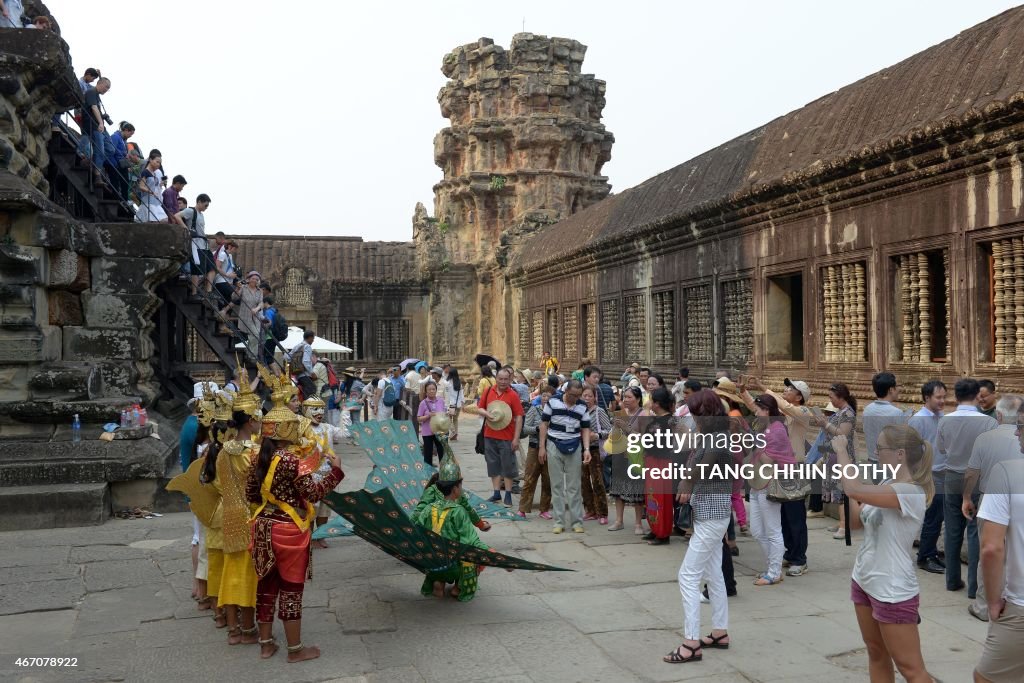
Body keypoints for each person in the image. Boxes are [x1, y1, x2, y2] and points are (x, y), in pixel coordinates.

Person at [246, 376, 343, 663]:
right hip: (288, 531)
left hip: (262, 526)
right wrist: (335, 473)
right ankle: (295, 649)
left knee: (265, 586)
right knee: (290, 588)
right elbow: (312, 493)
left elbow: (251, 493)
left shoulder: (257, 457)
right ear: (287, 429)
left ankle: (265, 644)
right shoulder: (291, 461)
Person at [832, 426, 935, 683]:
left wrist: (842, 453)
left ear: (900, 454)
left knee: (911, 668)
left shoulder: (911, 492)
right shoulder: (887, 483)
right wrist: (844, 484)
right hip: (865, 579)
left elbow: (855, 490)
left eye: (880, 448)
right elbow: (856, 521)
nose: (876, 452)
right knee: (876, 653)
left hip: (893, 589)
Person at [665, 389, 736, 665]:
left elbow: (706, 464)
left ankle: (690, 643)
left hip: (712, 513)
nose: (693, 418)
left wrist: (687, 482)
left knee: (687, 576)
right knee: (714, 574)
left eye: (695, 413)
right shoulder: (711, 432)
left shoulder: (719, 434)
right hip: (710, 511)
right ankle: (719, 632)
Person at [963, 395, 1024, 621]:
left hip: (991, 499)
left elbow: (971, 472)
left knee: (988, 549)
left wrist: (967, 497)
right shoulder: (1017, 437)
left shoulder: (985, 438)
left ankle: (984, 603)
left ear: (998, 415)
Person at [939, 378, 998, 595]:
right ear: (976, 395)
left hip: (953, 476)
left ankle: (952, 580)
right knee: (975, 532)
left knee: (953, 530)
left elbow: (942, 448)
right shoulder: (988, 422)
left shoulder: (945, 420)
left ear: (956, 396)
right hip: (979, 478)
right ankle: (974, 586)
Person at [213, 383, 261, 646]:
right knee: (248, 574)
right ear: (251, 421)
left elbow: (220, 484)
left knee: (230, 571)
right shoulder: (252, 452)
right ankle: (248, 629)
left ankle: (232, 628)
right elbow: (260, 485)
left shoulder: (224, 449)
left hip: (228, 512)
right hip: (249, 515)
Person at [411, 451, 492, 601]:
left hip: (433, 563)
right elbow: (471, 541)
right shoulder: (458, 511)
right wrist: (492, 554)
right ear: (455, 489)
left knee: (437, 556)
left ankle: (438, 583)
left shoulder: (429, 508)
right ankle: (458, 588)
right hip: (452, 564)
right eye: (461, 485)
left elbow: (416, 526)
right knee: (472, 557)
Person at [975, 446, 1024, 682]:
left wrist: (992, 601)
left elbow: (991, 547)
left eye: (1021, 426)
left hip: (1021, 605)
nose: (1016, 434)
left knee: (985, 678)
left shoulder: (1006, 472)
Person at [748, 394, 795, 584]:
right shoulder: (763, 428)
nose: (756, 413)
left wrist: (754, 444)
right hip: (756, 483)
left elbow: (768, 458)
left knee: (773, 530)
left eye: (758, 410)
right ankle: (772, 567)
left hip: (771, 484)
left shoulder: (776, 429)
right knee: (757, 531)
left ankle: (774, 572)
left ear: (767, 410)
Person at [539, 379, 591, 534]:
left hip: (574, 444)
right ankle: (559, 521)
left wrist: (586, 449)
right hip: (554, 443)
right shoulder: (553, 402)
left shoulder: (582, 406)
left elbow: (586, 428)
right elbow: (544, 424)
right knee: (557, 485)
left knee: (574, 486)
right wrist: (542, 447)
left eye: (578, 395)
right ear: (565, 391)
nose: (574, 398)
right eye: (572, 395)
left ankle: (576, 521)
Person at [908, 380, 948, 575]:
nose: (942, 401)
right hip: (929, 475)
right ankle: (925, 556)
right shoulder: (918, 420)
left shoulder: (942, 417)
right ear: (927, 398)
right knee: (932, 517)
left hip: (943, 472)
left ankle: (930, 553)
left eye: (944, 397)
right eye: (938, 397)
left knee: (937, 516)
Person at [811, 383, 857, 539]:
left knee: (843, 492)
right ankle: (843, 522)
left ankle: (844, 526)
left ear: (841, 396)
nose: (830, 400)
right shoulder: (839, 413)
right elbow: (831, 433)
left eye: (831, 397)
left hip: (844, 458)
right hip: (834, 456)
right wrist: (824, 424)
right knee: (838, 492)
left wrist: (826, 424)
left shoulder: (848, 414)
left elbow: (842, 434)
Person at [303, 394, 346, 548]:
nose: (319, 413)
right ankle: (309, 537)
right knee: (311, 508)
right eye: (314, 409)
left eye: (321, 409)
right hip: (311, 474)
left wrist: (345, 412)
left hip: (328, 473)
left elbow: (345, 433)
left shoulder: (327, 427)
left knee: (325, 508)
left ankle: (320, 536)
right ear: (305, 410)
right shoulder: (301, 429)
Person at [478, 367, 524, 508]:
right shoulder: (488, 391)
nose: (503, 382)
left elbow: (519, 416)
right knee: (493, 464)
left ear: (510, 379)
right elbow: (479, 408)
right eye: (500, 379)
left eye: (506, 379)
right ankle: (497, 492)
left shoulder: (513, 395)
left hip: (507, 436)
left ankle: (508, 494)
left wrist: (516, 438)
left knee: (508, 465)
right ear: (496, 379)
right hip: (489, 434)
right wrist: (486, 414)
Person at [642, 387, 681, 545]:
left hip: (663, 462)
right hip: (651, 460)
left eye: (651, 400)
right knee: (651, 495)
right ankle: (655, 527)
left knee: (663, 497)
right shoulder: (654, 420)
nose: (649, 403)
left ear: (657, 404)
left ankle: (663, 533)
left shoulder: (672, 420)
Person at [607, 386, 646, 534]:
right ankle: (619, 520)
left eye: (629, 397)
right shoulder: (621, 413)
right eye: (625, 397)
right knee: (617, 488)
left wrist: (628, 428)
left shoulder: (643, 415)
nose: (626, 400)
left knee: (637, 489)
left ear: (638, 399)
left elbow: (645, 437)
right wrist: (616, 428)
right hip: (620, 454)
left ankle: (638, 524)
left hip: (635, 455)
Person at [863, 372, 910, 481]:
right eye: (897, 386)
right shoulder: (896, 412)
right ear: (891, 390)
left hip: (872, 462)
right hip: (890, 465)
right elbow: (902, 439)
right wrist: (906, 419)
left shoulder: (867, 409)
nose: (899, 389)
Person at [519, 384, 553, 519]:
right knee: (530, 478)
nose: (545, 398)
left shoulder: (555, 412)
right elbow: (525, 428)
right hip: (534, 447)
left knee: (548, 479)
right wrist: (538, 429)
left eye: (549, 396)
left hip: (550, 448)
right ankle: (523, 508)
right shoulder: (534, 410)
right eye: (543, 395)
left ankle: (544, 509)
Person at [581, 385, 610, 525]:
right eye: (584, 396)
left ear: (595, 397)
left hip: (595, 450)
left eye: (589, 396)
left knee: (598, 482)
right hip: (580, 449)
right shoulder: (579, 411)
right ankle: (590, 510)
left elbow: (609, 430)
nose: (586, 398)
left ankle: (602, 512)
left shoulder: (599, 412)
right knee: (584, 481)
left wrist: (597, 435)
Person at [174, 194, 214, 295]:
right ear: (199, 202)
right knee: (196, 268)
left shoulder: (201, 214)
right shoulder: (191, 211)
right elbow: (177, 216)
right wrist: (187, 230)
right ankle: (194, 292)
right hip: (195, 244)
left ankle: (209, 291)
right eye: (205, 205)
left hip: (203, 243)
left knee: (212, 267)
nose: (206, 208)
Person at [77, 77, 112, 186]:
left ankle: (89, 161)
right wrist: (101, 122)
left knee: (110, 149)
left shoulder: (96, 95)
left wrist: (102, 119)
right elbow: (93, 108)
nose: (106, 90)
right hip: (94, 125)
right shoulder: (91, 92)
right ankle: (97, 176)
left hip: (99, 126)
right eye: (106, 87)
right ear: (100, 84)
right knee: (100, 150)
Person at [236, 272, 265, 360]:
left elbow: (261, 303)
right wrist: (237, 288)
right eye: (253, 278)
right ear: (248, 279)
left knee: (254, 336)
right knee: (255, 334)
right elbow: (234, 297)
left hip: (256, 317)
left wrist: (257, 308)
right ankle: (252, 356)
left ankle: (249, 353)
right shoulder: (243, 288)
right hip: (245, 316)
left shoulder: (259, 291)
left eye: (257, 279)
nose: (255, 281)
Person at [417, 381, 447, 466]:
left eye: (433, 389)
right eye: (429, 389)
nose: (431, 391)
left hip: (439, 431)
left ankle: (443, 472)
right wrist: (428, 416)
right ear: (426, 392)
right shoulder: (423, 403)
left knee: (442, 452)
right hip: (427, 432)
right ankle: (428, 474)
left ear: (436, 390)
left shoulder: (441, 401)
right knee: (428, 454)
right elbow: (418, 419)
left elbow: (443, 414)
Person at [134, 150, 167, 223]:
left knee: (163, 220)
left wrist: (160, 184)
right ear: (150, 160)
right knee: (154, 220)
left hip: (154, 200)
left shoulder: (154, 173)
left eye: (160, 163)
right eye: (157, 162)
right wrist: (150, 191)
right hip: (148, 200)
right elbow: (141, 186)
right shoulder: (145, 172)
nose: (158, 164)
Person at [106, 122, 135, 199]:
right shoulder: (115, 137)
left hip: (121, 163)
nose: (130, 136)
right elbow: (111, 150)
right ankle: (118, 198)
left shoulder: (123, 140)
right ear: (125, 130)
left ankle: (124, 199)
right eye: (130, 133)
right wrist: (115, 163)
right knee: (117, 181)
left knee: (125, 181)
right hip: (116, 163)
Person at [287, 329, 317, 399]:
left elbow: (287, 357)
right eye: (313, 338)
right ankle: (307, 409)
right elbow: (306, 361)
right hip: (305, 374)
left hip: (298, 374)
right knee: (311, 391)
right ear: (309, 337)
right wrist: (312, 373)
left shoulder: (297, 346)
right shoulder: (307, 346)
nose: (313, 340)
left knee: (304, 393)